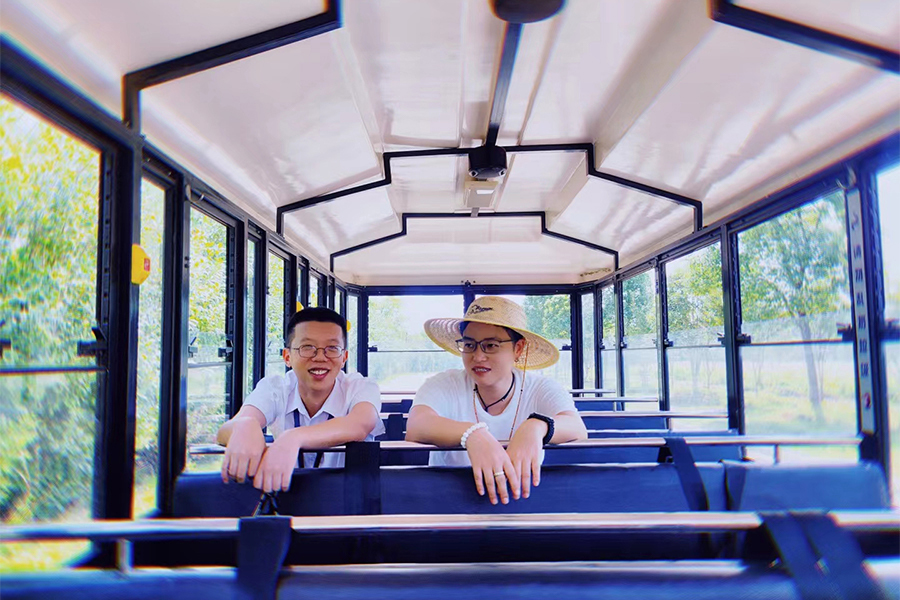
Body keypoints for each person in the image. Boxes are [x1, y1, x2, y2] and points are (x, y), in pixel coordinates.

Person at [406, 296, 587, 505]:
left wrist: (535, 426)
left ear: (518, 349)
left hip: (523, 502)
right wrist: (472, 434)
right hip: (446, 502)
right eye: (469, 345)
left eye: (491, 345)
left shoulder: (540, 388)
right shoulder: (445, 384)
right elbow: (417, 425)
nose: (478, 356)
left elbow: (577, 427)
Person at [217, 307, 384, 493]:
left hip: (349, 498)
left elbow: (360, 424)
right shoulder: (275, 388)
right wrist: (245, 424)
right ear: (287, 357)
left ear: (344, 357)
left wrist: (293, 437)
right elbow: (226, 430)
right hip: (286, 496)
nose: (320, 357)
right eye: (307, 348)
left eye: (332, 348)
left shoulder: (361, 387)